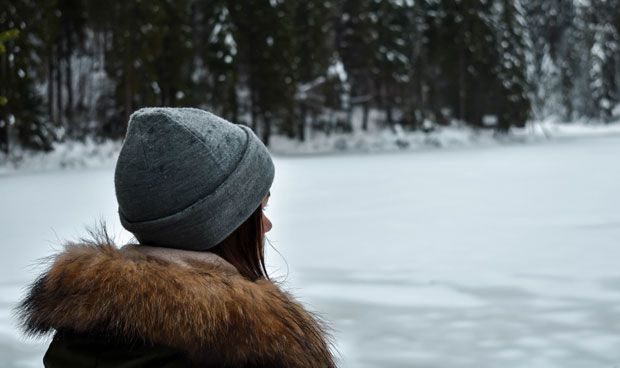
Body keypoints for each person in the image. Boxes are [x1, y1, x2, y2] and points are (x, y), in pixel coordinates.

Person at [16, 108, 336, 367]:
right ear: (221, 224)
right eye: (259, 208)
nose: (265, 225)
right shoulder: (252, 348)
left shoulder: (81, 337)